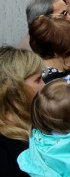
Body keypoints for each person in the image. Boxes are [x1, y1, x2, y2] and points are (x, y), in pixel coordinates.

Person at [0, 46, 43, 176]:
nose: (44, 85)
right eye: (38, 80)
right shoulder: (5, 149)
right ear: (14, 88)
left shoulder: (34, 123)